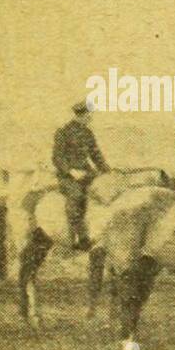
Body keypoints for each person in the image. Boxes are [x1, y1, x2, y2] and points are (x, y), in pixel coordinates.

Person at [52, 100, 109, 250]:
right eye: (89, 115)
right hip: (68, 176)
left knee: (106, 190)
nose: (91, 118)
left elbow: (96, 154)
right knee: (76, 197)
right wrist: (71, 171)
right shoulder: (63, 132)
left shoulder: (87, 133)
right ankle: (80, 238)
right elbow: (57, 157)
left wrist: (108, 172)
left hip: (86, 172)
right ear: (81, 115)